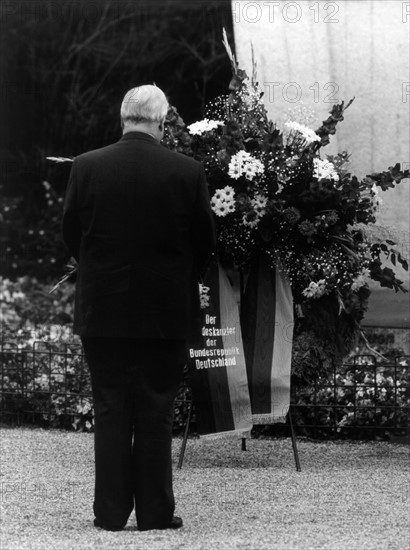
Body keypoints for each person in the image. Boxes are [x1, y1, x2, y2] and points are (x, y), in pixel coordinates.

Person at [62, 84, 216, 531]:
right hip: (164, 311)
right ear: (163, 122)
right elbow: (204, 242)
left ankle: (109, 513)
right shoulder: (187, 171)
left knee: (110, 406)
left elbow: (73, 232)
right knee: (155, 409)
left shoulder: (87, 167)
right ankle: (154, 513)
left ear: (123, 117)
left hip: (102, 308)